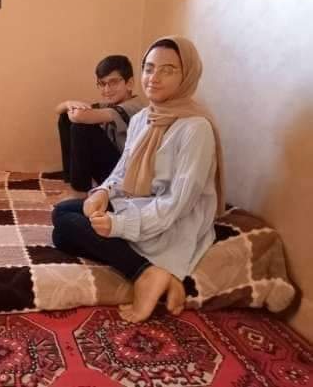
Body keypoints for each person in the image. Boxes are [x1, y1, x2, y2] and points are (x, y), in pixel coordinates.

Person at [52, 36, 225, 323]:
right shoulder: (143, 117)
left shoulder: (196, 128)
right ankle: (155, 273)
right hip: (139, 203)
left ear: (187, 75)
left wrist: (119, 224)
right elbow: (122, 170)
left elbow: (177, 206)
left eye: (168, 70)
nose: (154, 78)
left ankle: (144, 272)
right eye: (149, 68)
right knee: (61, 220)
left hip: (172, 222)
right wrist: (103, 192)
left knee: (68, 225)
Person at [54, 55, 145, 201]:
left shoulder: (134, 107)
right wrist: (68, 103)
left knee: (81, 127)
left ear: (129, 83)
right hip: (113, 168)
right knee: (65, 117)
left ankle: (79, 193)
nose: (107, 89)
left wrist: (76, 111)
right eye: (102, 84)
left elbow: (80, 117)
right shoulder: (111, 104)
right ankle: (72, 185)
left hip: (125, 175)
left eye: (113, 82)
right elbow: (59, 110)